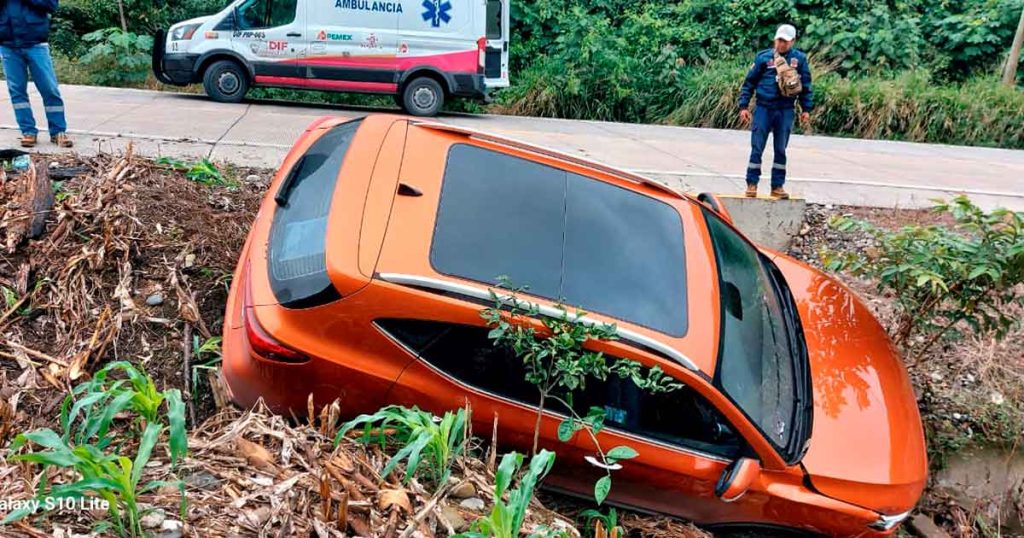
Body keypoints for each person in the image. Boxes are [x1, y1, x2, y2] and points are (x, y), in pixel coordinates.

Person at [738, 24, 812, 199]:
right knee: (757, 147)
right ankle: (752, 184)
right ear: (775, 39)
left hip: (785, 110)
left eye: (786, 41)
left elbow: (806, 86)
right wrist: (743, 106)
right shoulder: (763, 58)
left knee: (780, 149)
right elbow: (749, 83)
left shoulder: (799, 60)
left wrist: (806, 109)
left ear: (792, 41)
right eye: (779, 40)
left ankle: (777, 186)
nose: (782, 44)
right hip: (764, 108)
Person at [0, 0, 73, 148]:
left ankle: (58, 131)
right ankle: (28, 131)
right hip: (8, 45)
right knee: (16, 91)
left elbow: (52, 5)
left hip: (36, 43)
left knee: (49, 88)